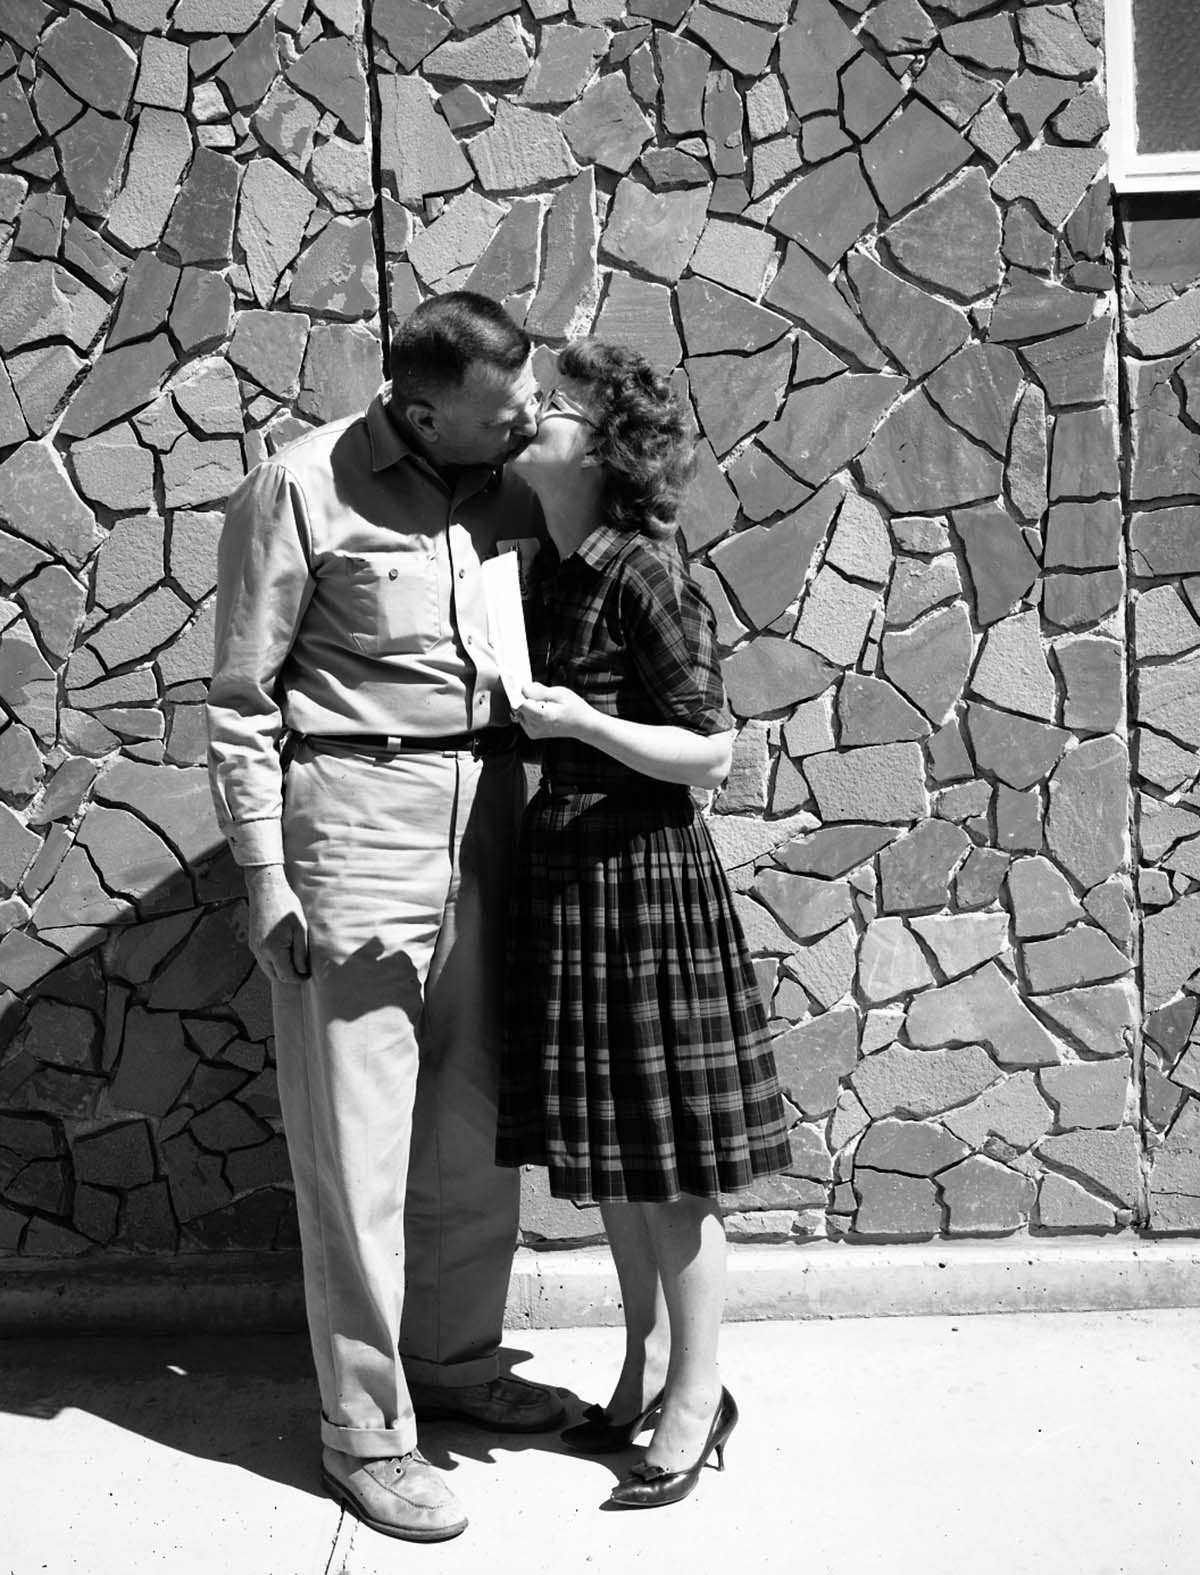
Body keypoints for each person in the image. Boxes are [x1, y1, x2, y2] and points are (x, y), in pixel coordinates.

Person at [206, 292, 564, 1545]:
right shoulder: (300, 488)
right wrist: (266, 875)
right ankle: (366, 1431)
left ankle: (458, 1363)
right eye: (501, 403)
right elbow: (244, 701)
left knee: (475, 1131)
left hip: (494, 822)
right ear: (419, 409)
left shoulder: (517, 484)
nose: (531, 414)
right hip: (354, 824)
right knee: (355, 1154)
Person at [497, 339, 793, 1510]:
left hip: (644, 885)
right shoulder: (553, 571)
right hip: (574, 885)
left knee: (669, 1174)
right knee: (619, 1164)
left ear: (602, 442)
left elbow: (712, 750)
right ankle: (644, 1369)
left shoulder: (642, 571)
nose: (528, 424)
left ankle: (697, 1397)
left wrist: (580, 721)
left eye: (550, 409)